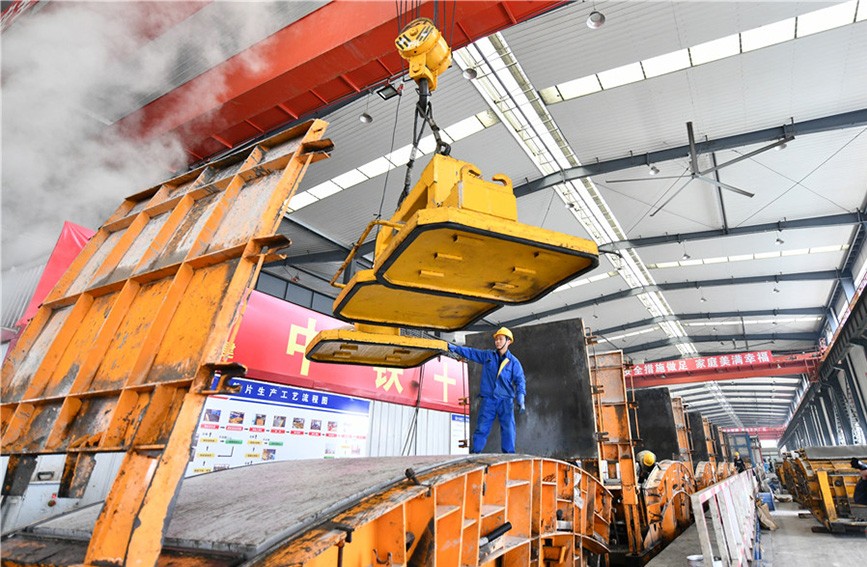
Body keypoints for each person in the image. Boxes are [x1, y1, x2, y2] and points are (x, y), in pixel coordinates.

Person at [448, 327, 526, 454]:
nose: (497, 342)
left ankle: (508, 455)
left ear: (508, 341)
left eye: (500, 339)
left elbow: (520, 381)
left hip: (505, 400)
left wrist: (521, 398)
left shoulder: (514, 362)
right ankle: (475, 454)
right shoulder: (488, 356)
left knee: (508, 429)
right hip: (489, 399)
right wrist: (456, 348)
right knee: (482, 428)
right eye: (496, 339)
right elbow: (472, 353)